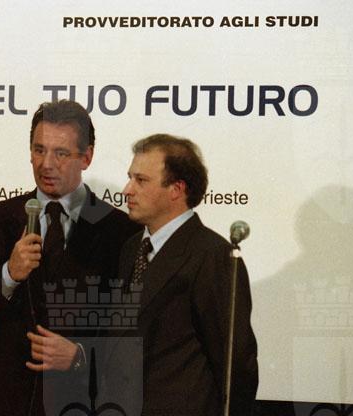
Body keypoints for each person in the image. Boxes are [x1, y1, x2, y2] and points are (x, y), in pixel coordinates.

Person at [0, 100, 139, 416]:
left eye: (61, 153)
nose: (46, 164)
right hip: (4, 403)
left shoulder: (120, 231)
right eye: (39, 150)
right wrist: (8, 275)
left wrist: (80, 356)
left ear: (87, 157)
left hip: (82, 402)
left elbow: (134, 337)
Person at [106, 133, 258, 416]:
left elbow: (236, 363)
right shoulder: (131, 248)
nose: (127, 190)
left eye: (141, 180)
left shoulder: (212, 255)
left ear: (176, 189)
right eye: (130, 178)